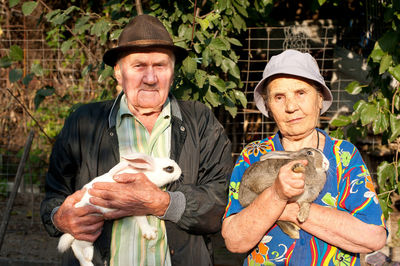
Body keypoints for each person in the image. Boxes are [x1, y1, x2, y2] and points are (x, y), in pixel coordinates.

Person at [40, 14, 233, 266]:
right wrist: (60, 217)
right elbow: (54, 196)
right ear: (118, 73)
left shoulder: (200, 121)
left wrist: (161, 202)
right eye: (139, 66)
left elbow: (221, 200)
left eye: (160, 66)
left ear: (173, 73)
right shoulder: (84, 122)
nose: (150, 78)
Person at [222, 49, 387, 265]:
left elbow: (373, 238)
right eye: (279, 97)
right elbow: (234, 241)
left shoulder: (344, 155)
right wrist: (276, 195)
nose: (291, 107)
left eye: (301, 93)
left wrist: (289, 209)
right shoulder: (254, 156)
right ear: (269, 107)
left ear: (319, 99)